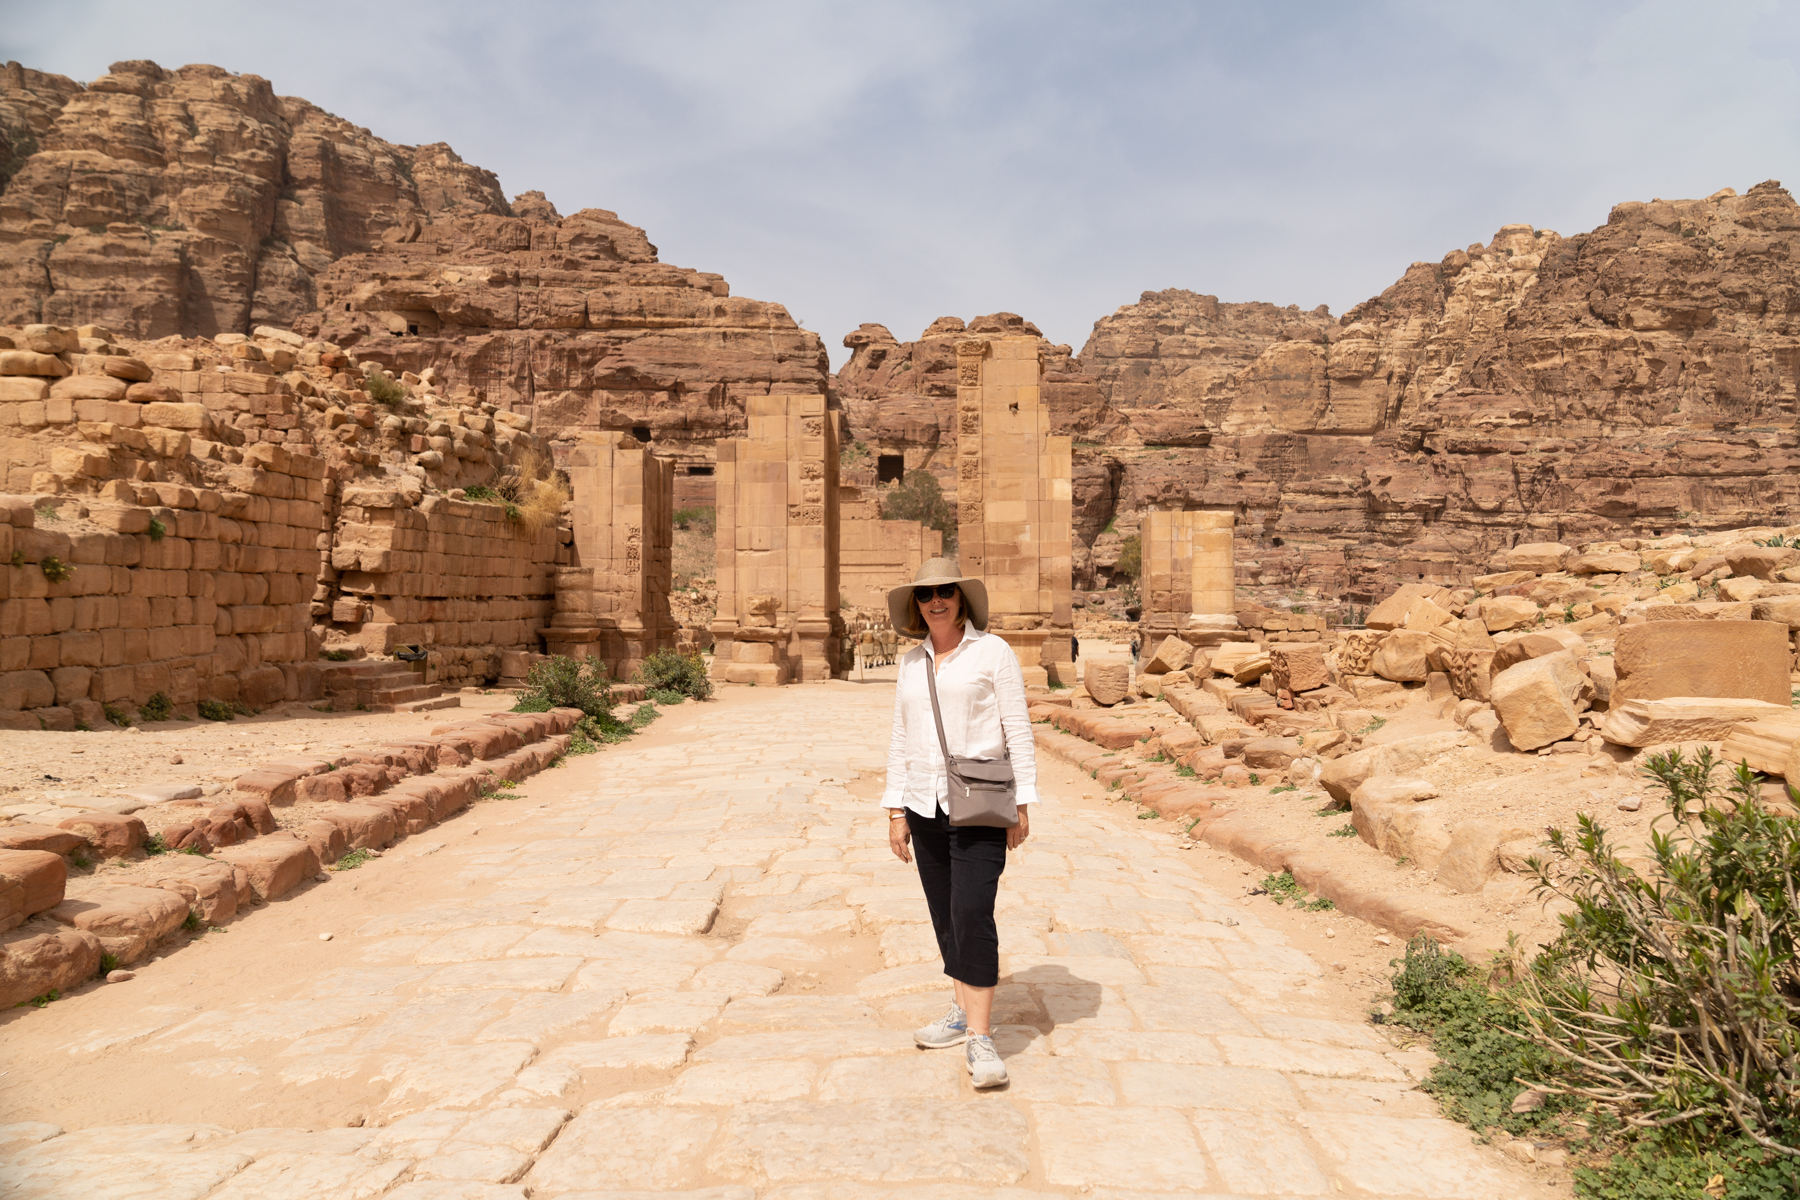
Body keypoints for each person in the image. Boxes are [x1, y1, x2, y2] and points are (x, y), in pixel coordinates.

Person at [883, 558, 1038, 1089]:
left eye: (946, 591)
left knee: (973, 913)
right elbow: (901, 736)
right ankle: (959, 1010)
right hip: (923, 804)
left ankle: (980, 1035)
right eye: (926, 594)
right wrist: (895, 809)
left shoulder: (993, 652)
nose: (936, 601)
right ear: (916, 605)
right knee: (946, 914)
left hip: (979, 804)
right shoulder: (911, 663)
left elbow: (1017, 726)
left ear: (961, 598)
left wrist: (1023, 801)